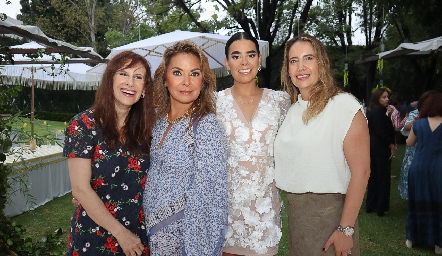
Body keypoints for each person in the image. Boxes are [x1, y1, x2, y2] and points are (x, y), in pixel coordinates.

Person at [274, 33, 370, 256]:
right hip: (298, 220)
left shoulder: (343, 105)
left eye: (308, 58)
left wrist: (345, 229)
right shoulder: (292, 110)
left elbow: (362, 171)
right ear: (287, 69)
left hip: (332, 218)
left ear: (322, 63)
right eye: (293, 60)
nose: (301, 67)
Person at [63, 51, 154, 255]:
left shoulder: (147, 129)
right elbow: (80, 190)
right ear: (110, 79)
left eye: (138, 77)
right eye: (123, 74)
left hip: (138, 235)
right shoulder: (83, 125)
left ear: (145, 88)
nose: (130, 83)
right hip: (95, 236)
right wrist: (121, 234)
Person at [142, 41, 228, 255]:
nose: (187, 82)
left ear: (203, 80)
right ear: (164, 79)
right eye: (178, 72)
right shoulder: (158, 120)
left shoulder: (206, 126)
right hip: (150, 231)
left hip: (184, 239)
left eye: (195, 73)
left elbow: (211, 197)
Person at [216, 31, 291, 256]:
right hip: (227, 212)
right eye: (236, 56)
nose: (244, 62)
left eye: (250, 54)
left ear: (260, 59)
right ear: (227, 63)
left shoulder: (280, 101)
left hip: (265, 211)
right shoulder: (214, 102)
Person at [405, 93, 442, 255]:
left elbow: (409, 142)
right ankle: (437, 243)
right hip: (438, 168)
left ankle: (411, 239)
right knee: (438, 203)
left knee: (416, 201)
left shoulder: (418, 124)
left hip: (418, 166)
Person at [398, 90, 437, 200]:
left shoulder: (437, 115)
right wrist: (416, 121)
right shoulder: (415, 113)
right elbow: (405, 128)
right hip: (414, 151)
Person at [365, 88, 396, 217]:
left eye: (387, 97)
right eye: (384, 97)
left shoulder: (375, 111)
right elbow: (381, 131)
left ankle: (372, 204)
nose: (387, 99)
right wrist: (391, 145)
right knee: (383, 177)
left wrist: (389, 115)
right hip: (380, 148)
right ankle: (381, 208)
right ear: (377, 98)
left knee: (375, 176)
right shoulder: (377, 111)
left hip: (374, 147)